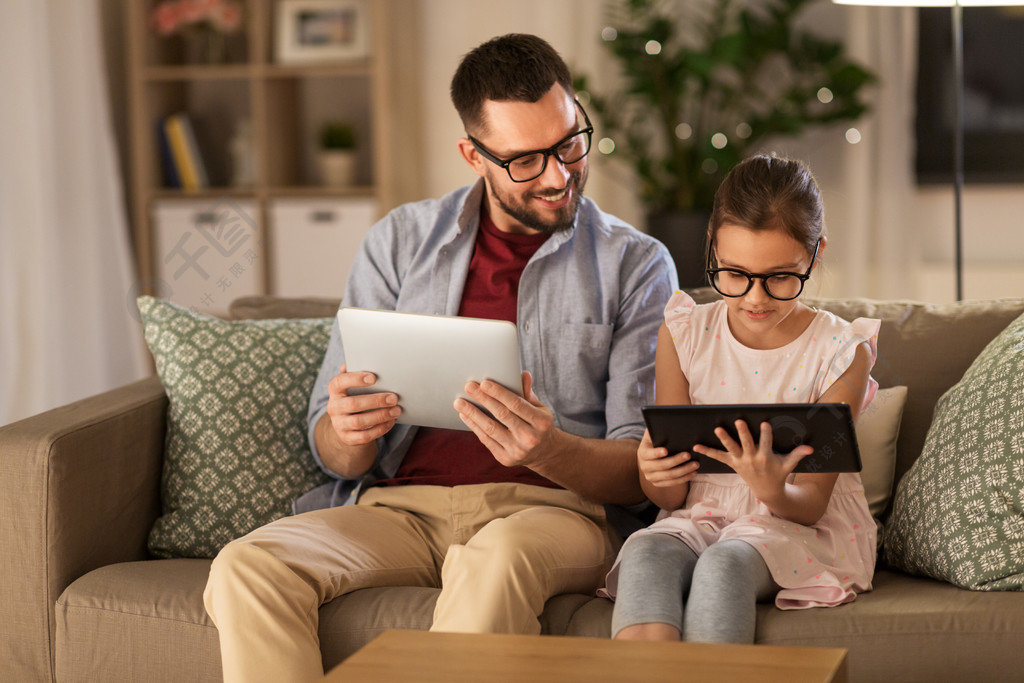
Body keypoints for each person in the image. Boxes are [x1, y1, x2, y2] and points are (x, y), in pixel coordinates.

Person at [202, 33, 677, 682]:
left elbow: (639, 473)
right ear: (473, 155)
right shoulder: (398, 242)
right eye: (526, 161)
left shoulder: (636, 264)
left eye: (569, 144)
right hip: (402, 509)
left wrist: (547, 448)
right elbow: (332, 447)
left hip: (551, 513)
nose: (558, 175)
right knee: (246, 566)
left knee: (497, 556)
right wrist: (347, 431)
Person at [603, 154, 880, 644]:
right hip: (702, 515)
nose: (754, 298)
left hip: (796, 523)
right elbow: (669, 497)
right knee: (647, 555)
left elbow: (811, 505)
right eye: (734, 274)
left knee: (723, 564)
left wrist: (771, 487)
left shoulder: (841, 353)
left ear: (814, 256)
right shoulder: (684, 333)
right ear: (712, 249)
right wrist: (652, 472)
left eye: (779, 277)